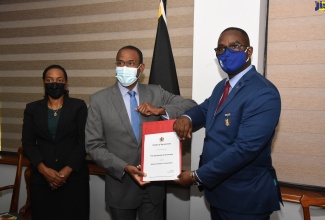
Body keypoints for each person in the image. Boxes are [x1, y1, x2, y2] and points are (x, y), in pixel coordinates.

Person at [173, 27, 282, 220]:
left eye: (235, 46)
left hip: (245, 200)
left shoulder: (263, 92)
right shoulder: (222, 87)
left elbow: (245, 149)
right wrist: (187, 118)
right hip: (218, 195)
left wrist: (196, 176)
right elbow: (204, 110)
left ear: (248, 51)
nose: (227, 52)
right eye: (221, 48)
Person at [85, 45, 197, 220]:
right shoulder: (99, 100)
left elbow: (191, 105)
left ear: (141, 68)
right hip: (121, 186)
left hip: (154, 188)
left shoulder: (156, 92)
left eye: (130, 63)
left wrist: (160, 110)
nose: (124, 68)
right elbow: (93, 146)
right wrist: (123, 167)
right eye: (120, 63)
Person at [22, 65, 90, 220]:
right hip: (42, 180)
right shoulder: (32, 109)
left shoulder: (78, 106)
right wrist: (44, 171)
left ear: (66, 82)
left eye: (59, 80)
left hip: (73, 180)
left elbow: (84, 141)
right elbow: (28, 143)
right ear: (44, 82)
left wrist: (65, 172)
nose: (54, 84)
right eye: (49, 80)